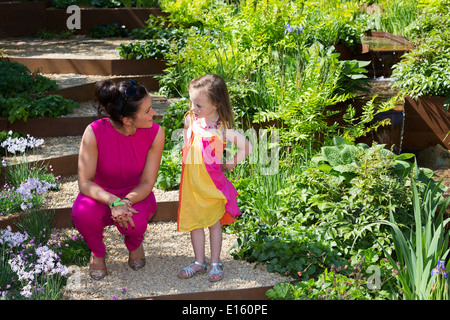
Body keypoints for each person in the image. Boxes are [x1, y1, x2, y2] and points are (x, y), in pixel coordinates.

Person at [72, 79, 164, 280]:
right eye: (147, 111)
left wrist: (126, 202)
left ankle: (135, 243)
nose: (154, 113)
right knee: (82, 213)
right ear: (128, 120)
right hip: (100, 194)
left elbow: (148, 183)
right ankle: (97, 252)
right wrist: (113, 201)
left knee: (136, 222)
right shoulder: (94, 131)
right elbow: (85, 182)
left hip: (136, 194)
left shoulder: (156, 133)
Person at [177, 74, 252, 282]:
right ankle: (199, 262)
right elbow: (186, 131)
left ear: (216, 103)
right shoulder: (191, 119)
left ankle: (215, 262)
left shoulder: (223, 129)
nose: (193, 108)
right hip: (192, 184)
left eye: (198, 104)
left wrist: (229, 164)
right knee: (194, 223)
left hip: (211, 186)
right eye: (192, 102)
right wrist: (187, 148)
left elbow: (248, 147)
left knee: (213, 223)